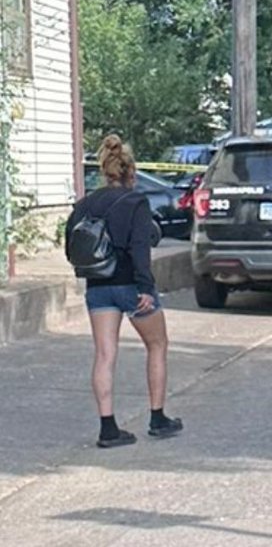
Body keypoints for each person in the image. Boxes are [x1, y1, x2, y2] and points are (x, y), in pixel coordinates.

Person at [66, 135, 183, 448]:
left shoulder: (85, 204)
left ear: (104, 171)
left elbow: (72, 246)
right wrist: (145, 287)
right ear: (132, 172)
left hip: (99, 287)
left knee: (105, 355)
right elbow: (139, 248)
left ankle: (108, 428)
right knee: (157, 344)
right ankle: (158, 418)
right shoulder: (136, 202)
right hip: (132, 286)